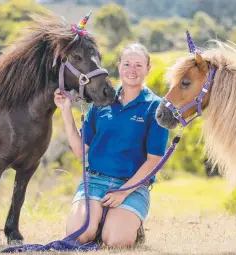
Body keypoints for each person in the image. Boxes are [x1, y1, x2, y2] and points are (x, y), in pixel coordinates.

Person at [54, 43, 169, 247]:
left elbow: (154, 160)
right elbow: (81, 151)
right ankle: (99, 223)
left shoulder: (155, 107)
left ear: (148, 69)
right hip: (95, 181)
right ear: (118, 66)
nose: (131, 70)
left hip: (132, 187)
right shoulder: (103, 101)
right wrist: (65, 110)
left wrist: (123, 192)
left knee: (116, 242)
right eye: (127, 64)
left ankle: (125, 226)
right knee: (78, 236)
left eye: (138, 65)